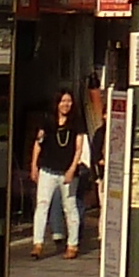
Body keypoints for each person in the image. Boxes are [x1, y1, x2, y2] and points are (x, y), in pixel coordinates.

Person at [28, 91, 90, 256]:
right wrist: (34, 165)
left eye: (69, 101)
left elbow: (78, 149)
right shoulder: (47, 121)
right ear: (56, 103)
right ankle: (38, 243)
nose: (66, 104)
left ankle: (72, 245)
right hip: (47, 169)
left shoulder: (76, 123)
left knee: (70, 206)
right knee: (42, 205)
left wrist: (71, 169)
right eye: (63, 101)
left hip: (67, 171)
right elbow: (38, 143)